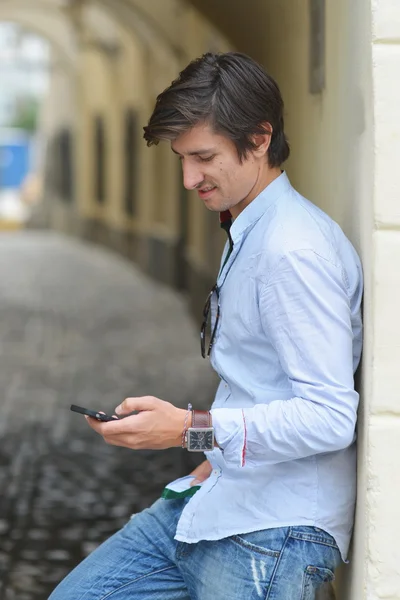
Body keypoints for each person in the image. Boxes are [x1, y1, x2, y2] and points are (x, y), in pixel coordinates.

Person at [49, 52, 363, 600]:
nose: (190, 178)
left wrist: (189, 428)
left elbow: (331, 417)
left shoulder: (292, 250)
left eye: (203, 157)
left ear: (260, 139)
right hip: (217, 500)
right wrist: (204, 460)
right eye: (181, 158)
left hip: (271, 531)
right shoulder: (250, 226)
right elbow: (260, 384)